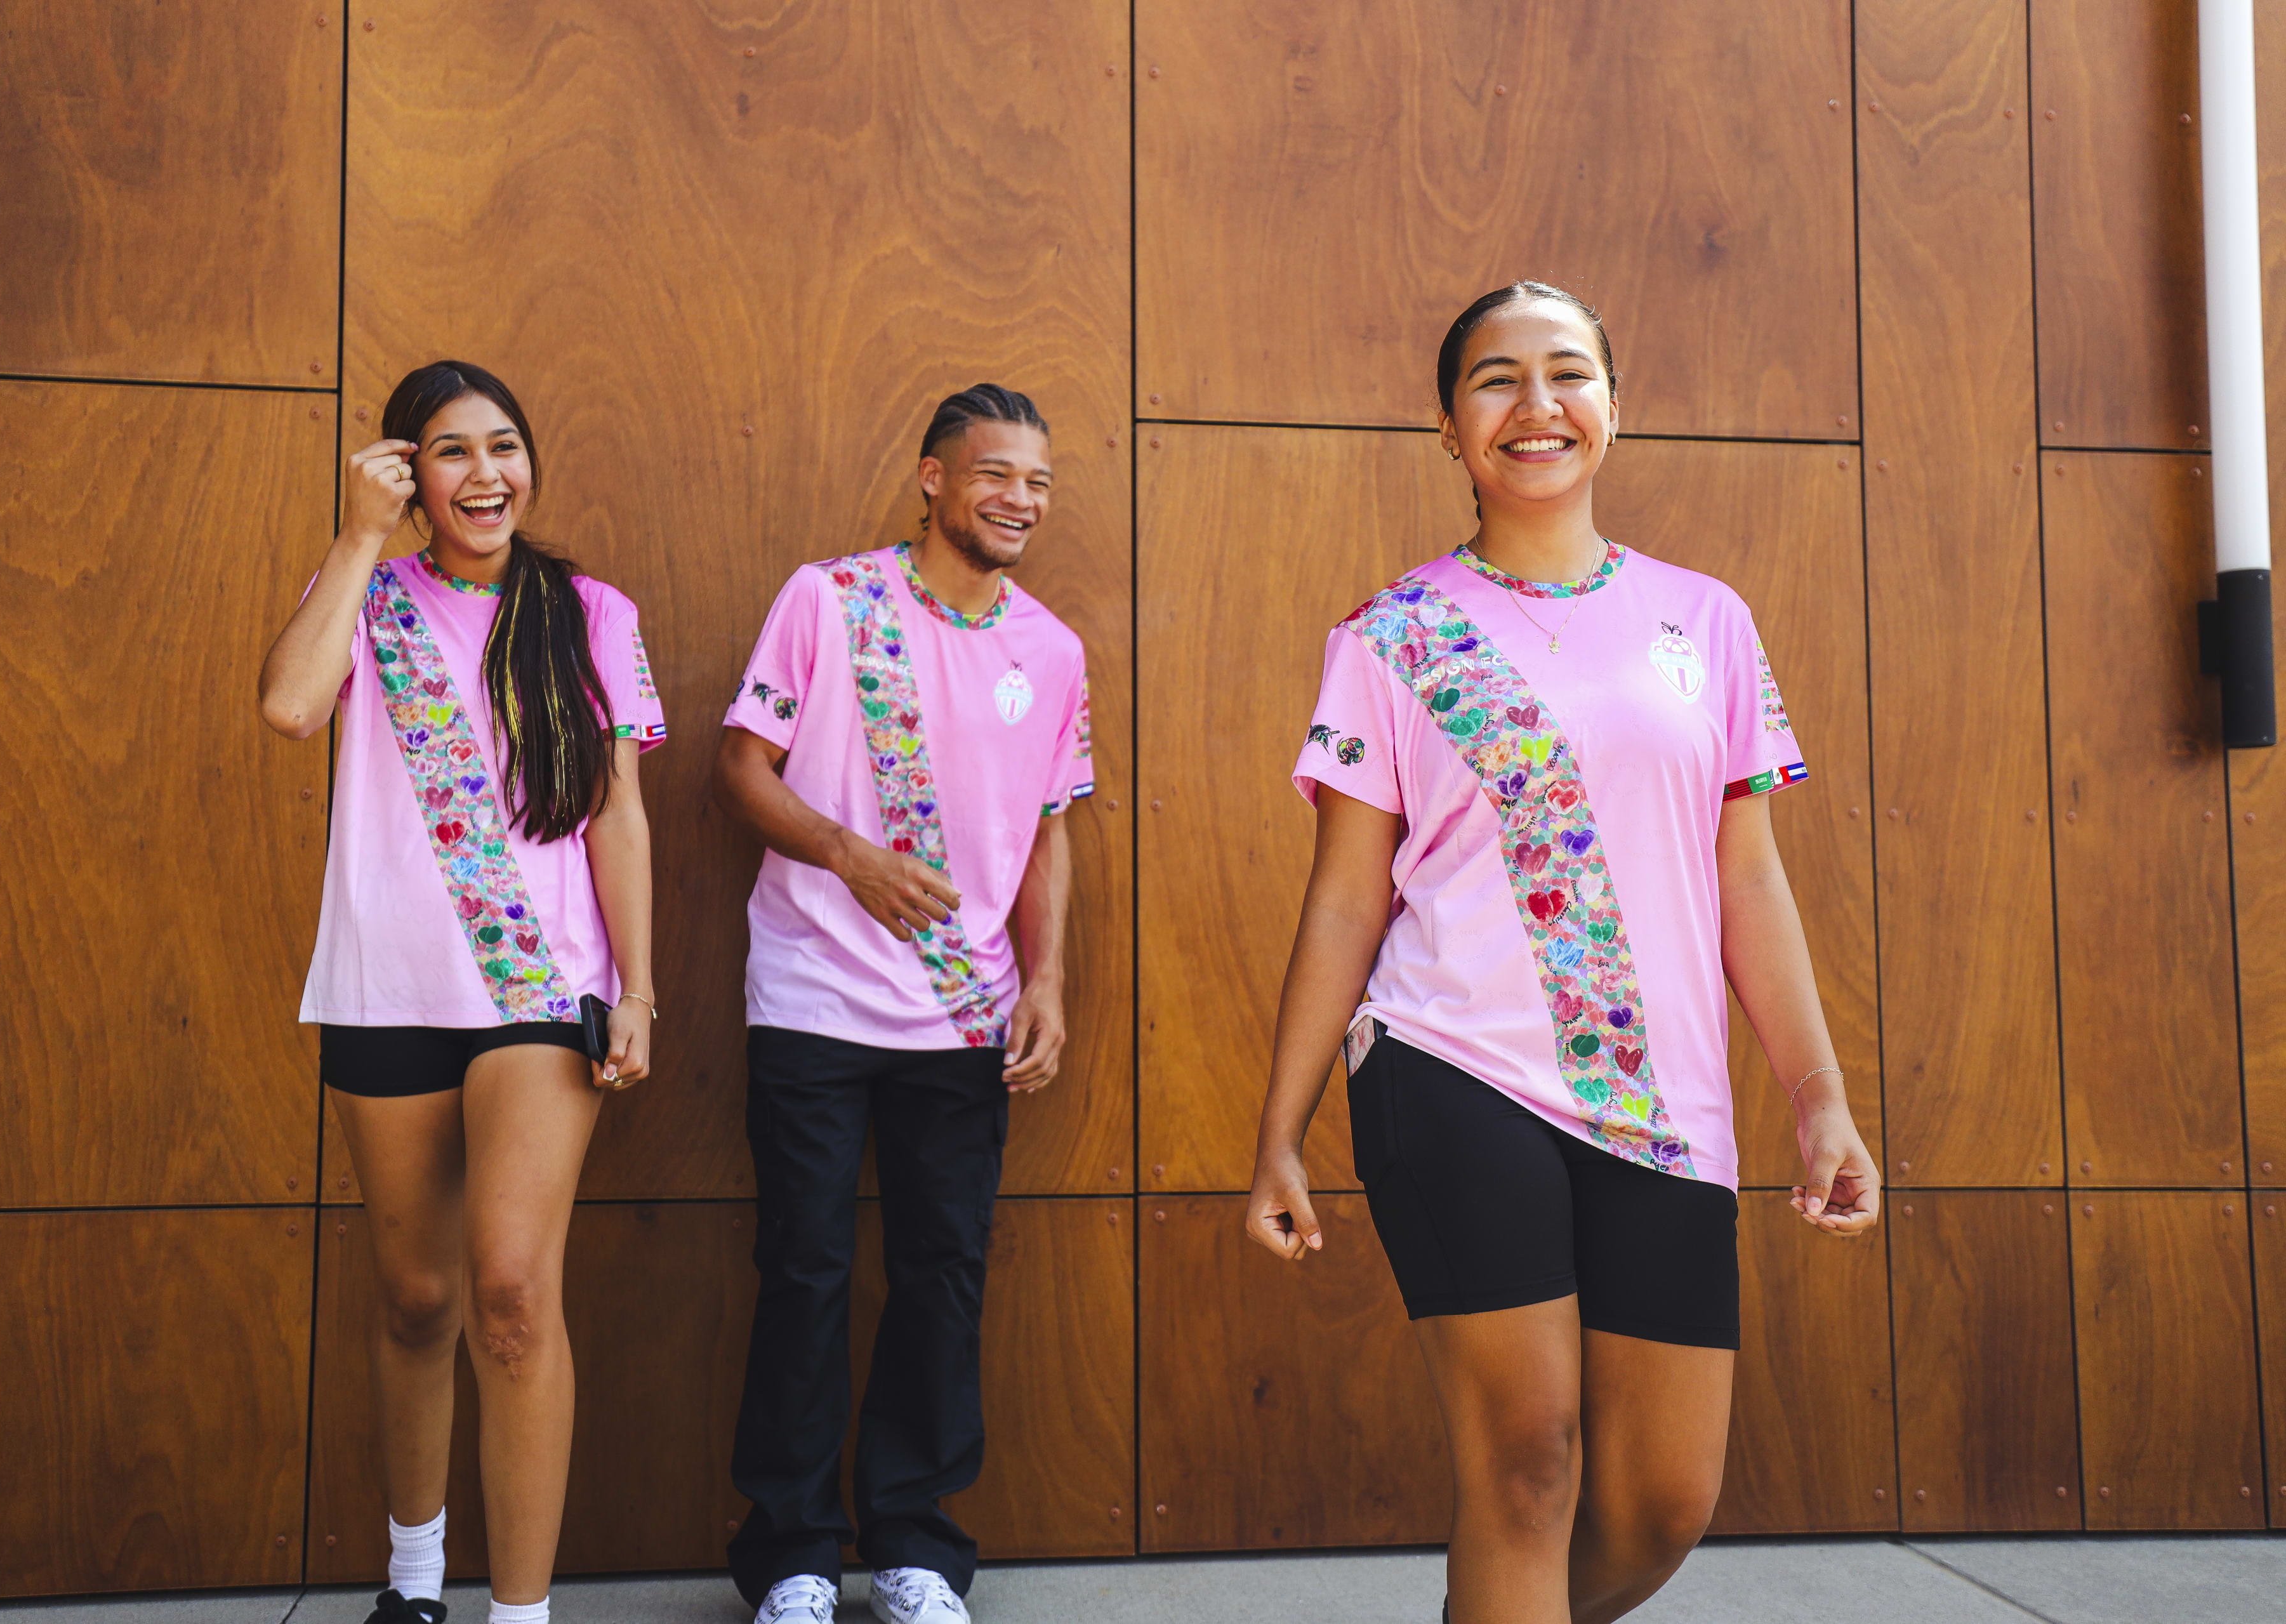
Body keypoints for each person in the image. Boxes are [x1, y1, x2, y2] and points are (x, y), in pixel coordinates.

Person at [1245, 282, 1879, 1624]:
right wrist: (1280, 1132)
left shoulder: (1706, 619)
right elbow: (1346, 899)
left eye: (1567, 372)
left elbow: (1747, 875)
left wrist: (1819, 1095)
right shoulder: (1389, 636)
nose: (1536, 404)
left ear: (1613, 407)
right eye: (1496, 379)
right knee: (1527, 1467)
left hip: (1666, 1105)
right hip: (1452, 1064)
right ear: (1448, 426)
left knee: (1660, 1503)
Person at [256, 360, 666, 1624]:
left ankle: (522, 1615)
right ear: (408, 473)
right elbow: (289, 706)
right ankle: (416, 1580)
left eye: (504, 446)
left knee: (511, 1291)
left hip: (541, 985)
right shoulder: (366, 593)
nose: (486, 474)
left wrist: (639, 989)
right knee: (416, 1297)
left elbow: (618, 813)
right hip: (385, 985)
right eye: (451, 452)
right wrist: (357, 537)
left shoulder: (589, 611)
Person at [713, 384, 1092, 1624]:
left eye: (1038, 481)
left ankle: (916, 1546)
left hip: (965, 1018)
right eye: (995, 474)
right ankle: (794, 1560)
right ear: (933, 478)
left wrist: (1045, 979)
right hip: (812, 997)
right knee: (805, 1270)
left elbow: (1048, 829)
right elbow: (740, 767)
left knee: (945, 1272)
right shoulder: (829, 599)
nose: (1020, 500)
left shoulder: (1052, 649)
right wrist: (847, 854)